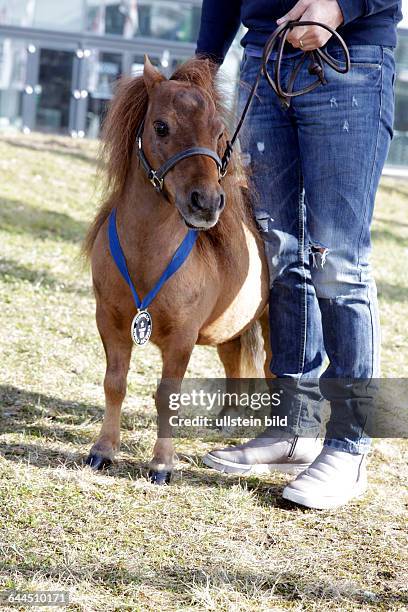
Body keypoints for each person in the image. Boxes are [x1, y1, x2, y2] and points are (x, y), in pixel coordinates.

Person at [196, 0, 401, 509]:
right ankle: (293, 427)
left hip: (349, 59)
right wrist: (203, 64)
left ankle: (348, 445)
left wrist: (341, 6)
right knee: (280, 250)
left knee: (338, 261)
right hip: (262, 64)